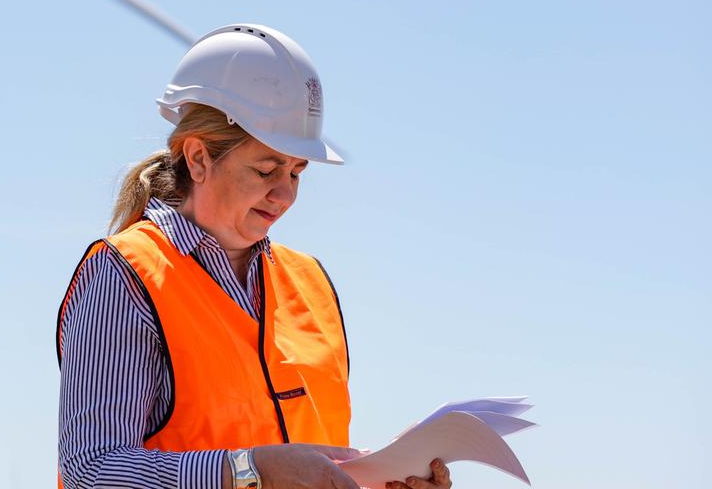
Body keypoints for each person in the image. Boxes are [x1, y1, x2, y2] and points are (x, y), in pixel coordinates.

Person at [56, 24, 452, 489]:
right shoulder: (125, 274)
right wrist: (249, 473)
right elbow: (91, 471)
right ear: (199, 158)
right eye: (266, 169)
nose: (284, 195)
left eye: (297, 173)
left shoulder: (310, 282)